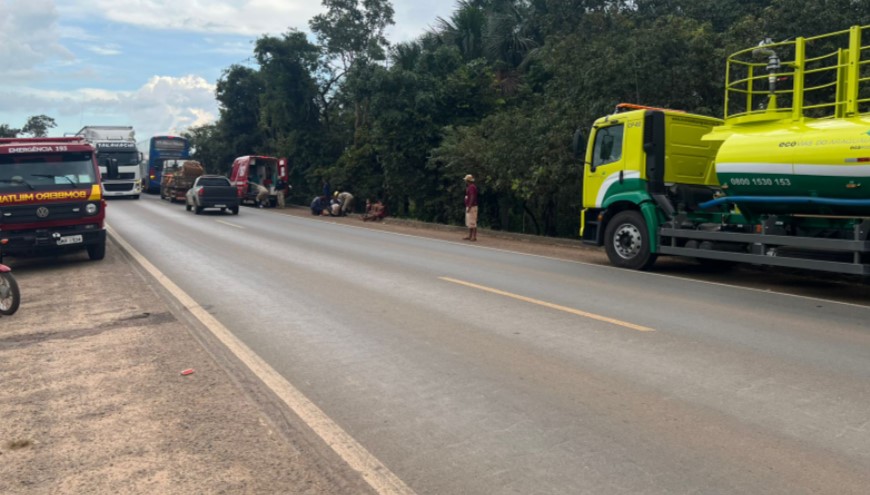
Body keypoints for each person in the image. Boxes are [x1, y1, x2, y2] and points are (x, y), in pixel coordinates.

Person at [463, 174, 478, 241]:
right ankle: (470, 235)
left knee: (472, 222)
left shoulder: (472, 187)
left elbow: (472, 196)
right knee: (469, 222)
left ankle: (474, 236)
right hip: (469, 206)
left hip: (472, 206)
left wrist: (469, 206)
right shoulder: (469, 187)